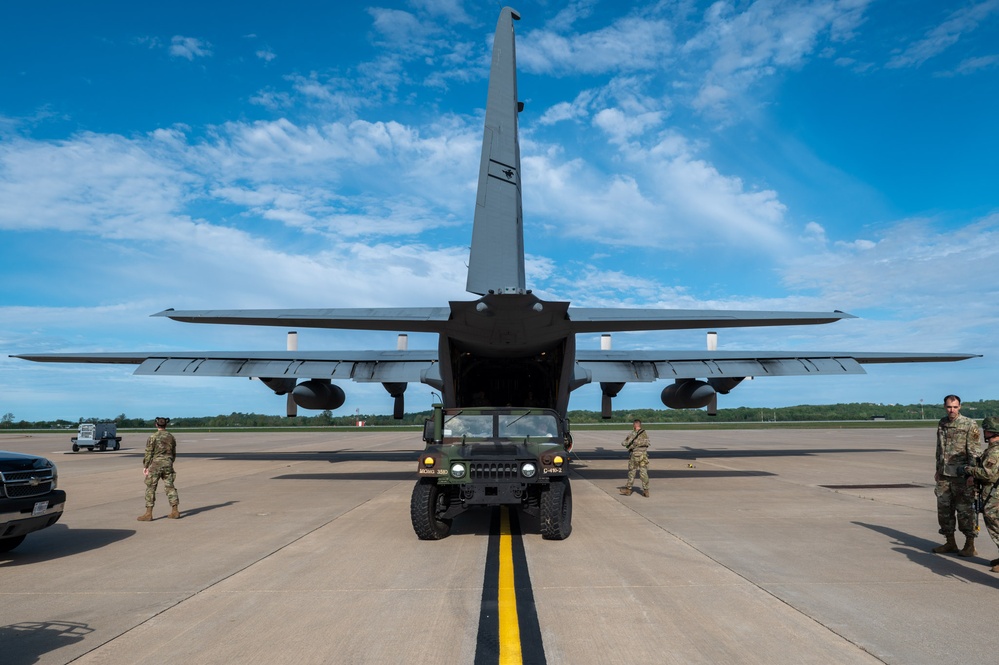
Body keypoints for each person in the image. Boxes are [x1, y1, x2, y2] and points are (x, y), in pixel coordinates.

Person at [932, 395, 981, 556]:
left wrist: (972, 474)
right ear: (944, 407)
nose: (951, 410)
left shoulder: (969, 424)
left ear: (960, 407)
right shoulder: (942, 423)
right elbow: (940, 448)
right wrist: (938, 469)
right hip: (945, 475)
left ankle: (970, 544)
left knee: (965, 511)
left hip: (962, 476)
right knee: (944, 511)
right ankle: (950, 542)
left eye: (954, 407)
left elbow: (974, 451)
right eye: (948, 407)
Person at [959, 416, 999, 572]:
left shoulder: (995, 451)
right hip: (992, 493)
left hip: (994, 496)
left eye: (986, 430)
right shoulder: (993, 449)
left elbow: (988, 474)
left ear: (990, 431)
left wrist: (968, 470)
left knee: (996, 526)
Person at [138, 417, 180, 521]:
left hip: (155, 465)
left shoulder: (153, 437)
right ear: (166, 425)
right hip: (168, 464)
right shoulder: (171, 437)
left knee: (151, 488)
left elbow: (148, 453)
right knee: (170, 487)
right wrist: (170, 462)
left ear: (156, 425)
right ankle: (175, 510)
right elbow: (173, 453)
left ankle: (149, 513)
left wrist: (146, 466)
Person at [619, 419, 650, 497]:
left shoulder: (633, 433)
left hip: (635, 455)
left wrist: (625, 443)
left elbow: (624, 443)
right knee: (643, 472)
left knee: (632, 472)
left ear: (635, 425)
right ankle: (646, 491)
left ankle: (628, 490)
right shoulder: (645, 433)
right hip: (644, 455)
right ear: (640, 425)